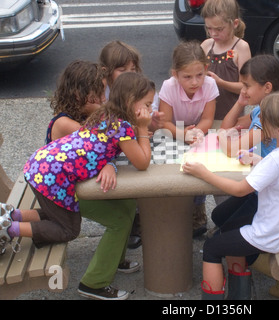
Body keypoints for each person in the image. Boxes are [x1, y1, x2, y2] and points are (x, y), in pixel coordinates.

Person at [0, 72, 154, 300]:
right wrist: (142, 128)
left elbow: (100, 147)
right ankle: (8, 229)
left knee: (125, 206)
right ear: (132, 102)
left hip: (42, 167)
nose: (150, 109)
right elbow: (142, 163)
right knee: (68, 229)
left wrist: (110, 160)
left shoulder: (105, 115)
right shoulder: (122, 127)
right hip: (53, 178)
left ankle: (12, 214)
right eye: (148, 104)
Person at [182, 91, 279, 299]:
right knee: (229, 230)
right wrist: (256, 160)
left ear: (278, 130)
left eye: (262, 121)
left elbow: (239, 190)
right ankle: (239, 297)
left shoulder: (276, 160)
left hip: (272, 233)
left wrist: (203, 173)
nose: (258, 123)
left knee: (212, 247)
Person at [46, 61, 141, 298]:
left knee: (127, 202)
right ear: (79, 93)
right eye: (98, 92)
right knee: (118, 220)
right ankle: (94, 283)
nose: (103, 97)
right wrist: (109, 162)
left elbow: (105, 146)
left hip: (75, 185)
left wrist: (109, 162)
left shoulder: (83, 116)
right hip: (63, 192)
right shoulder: (67, 123)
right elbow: (98, 146)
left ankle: (114, 259)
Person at [99, 40, 165, 248]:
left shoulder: (111, 112)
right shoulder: (118, 122)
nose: (129, 73)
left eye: (133, 69)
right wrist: (142, 127)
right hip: (62, 179)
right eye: (122, 70)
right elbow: (143, 163)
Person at [211, 54, 279, 230]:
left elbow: (231, 149)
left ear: (267, 87)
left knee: (226, 228)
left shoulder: (270, 118)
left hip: (269, 193)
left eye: (247, 85)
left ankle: (250, 254)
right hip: (260, 182)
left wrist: (221, 135)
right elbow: (233, 125)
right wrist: (239, 103)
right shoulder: (262, 108)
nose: (243, 89)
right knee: (217, 216)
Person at [159, 41, 219, 236]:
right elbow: (165, 122)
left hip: (196, 132)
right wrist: (184, 134)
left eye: (199, 75)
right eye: (187, 77)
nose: (195, 82)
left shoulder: (209, 85)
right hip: (173, 134)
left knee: (198, 171)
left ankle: (197, 211)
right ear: (175, 74)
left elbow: (208, 118)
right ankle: (172, 213)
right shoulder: (169, 87)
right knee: (172, 174)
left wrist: (197, 132)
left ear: (206, 69)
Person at [200, 0, 251, 120]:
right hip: (204, 117)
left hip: (231, 116)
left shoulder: (241, 48)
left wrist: (220, 82)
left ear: (235, 23)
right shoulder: (206, 45)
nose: (213, 34)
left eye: (219, 29)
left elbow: (246, 87)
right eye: (209, 28)